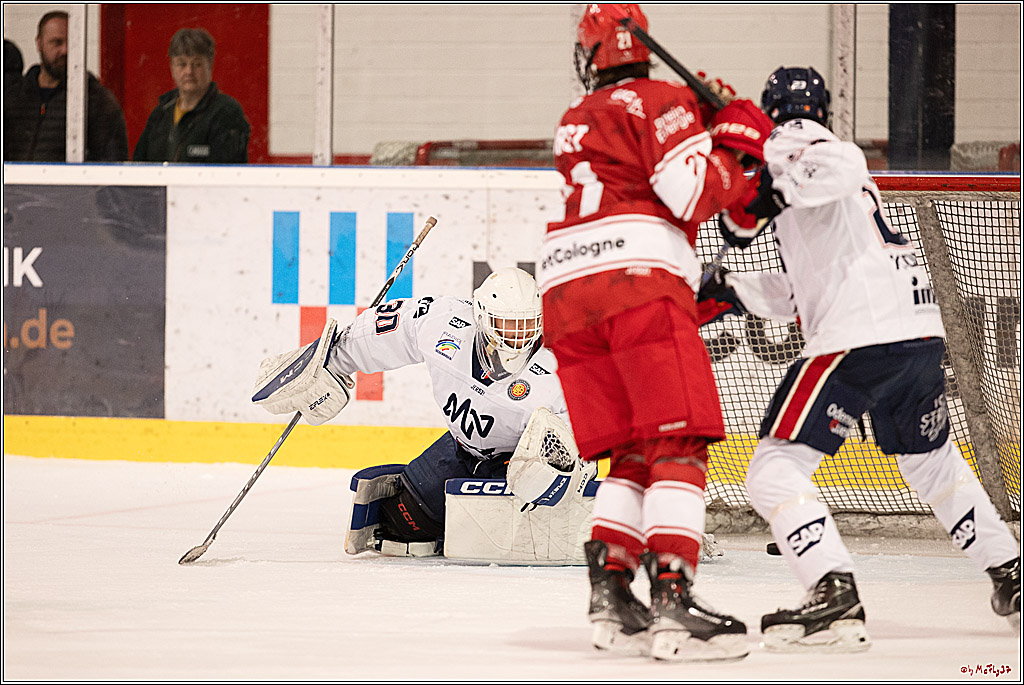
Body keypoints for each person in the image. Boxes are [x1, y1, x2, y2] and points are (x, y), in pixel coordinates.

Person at [698, 65, 1021, 651]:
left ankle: (832, 591)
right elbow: (801, 285)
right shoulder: (813, 176)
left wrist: (771, 174)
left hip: (859, 335)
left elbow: (834, 165)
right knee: (932, 465)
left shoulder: (799, 148)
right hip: (915, 330)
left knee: (773, 469)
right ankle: (1011, 574)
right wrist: (731, 290)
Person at [536, 3, 773, 662]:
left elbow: (641, 161)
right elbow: (691, 192)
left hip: (565, 291)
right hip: (636, 281)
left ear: (592, 55)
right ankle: (673, 598)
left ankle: (612, 592)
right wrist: (734, 143)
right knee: (677, 441)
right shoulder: (664, 96)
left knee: (633, 453)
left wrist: (704, 126)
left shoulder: (576, 117)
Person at [252, 267, 594, 556]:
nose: (517, 337)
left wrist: (565, 471)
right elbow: (384, 332)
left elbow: (591, 436)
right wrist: (333, 361)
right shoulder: (443, 322)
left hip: (517, 464)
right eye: (505, 324)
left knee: (513, 532)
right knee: (402, 524)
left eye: (526, 325)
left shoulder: (565, 367)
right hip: (460, 448)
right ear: (480, 315)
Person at [3, 11, 128, 162]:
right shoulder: (12, 96)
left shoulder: (96, 100)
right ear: (39, 43)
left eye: (72, 42)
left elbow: (112, 164)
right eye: (57, 42)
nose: (65, 50)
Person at [133, 28, 250, 163]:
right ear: (172, 68)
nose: (189, 71)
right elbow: (139, 165)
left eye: (197, 64)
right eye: (182, 64)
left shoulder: (227, 113)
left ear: (210, 66)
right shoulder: (161, 113)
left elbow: (225, 174)